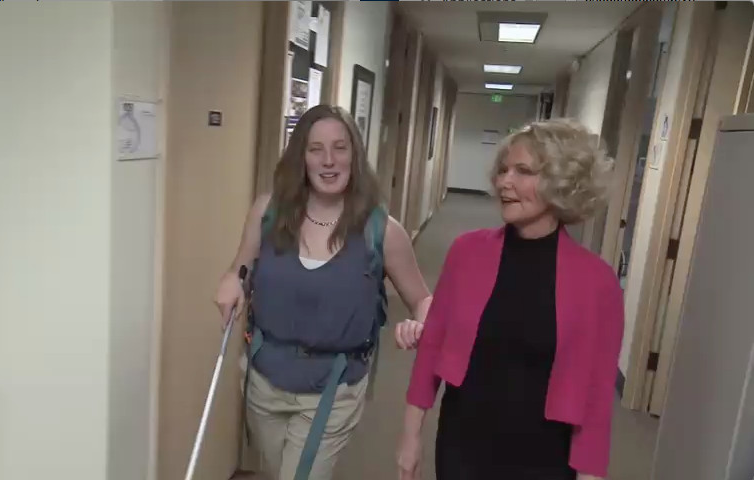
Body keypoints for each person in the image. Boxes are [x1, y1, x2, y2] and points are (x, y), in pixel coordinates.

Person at [397, 119, 624, 480]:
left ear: (562, 184)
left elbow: (596, 400)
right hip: (462, 448)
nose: (505, 181)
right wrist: (410, 440)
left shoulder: (598, 283)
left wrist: (590, 476)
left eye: (523, 171)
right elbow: (431, 350)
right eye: (503, 170)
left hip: (544, 460)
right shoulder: (466, 252)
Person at [214, 105, 432, 480]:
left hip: (333, 386)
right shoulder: (268, 212)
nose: (328, 160)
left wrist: (420, 325)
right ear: (301, 156)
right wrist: (231, 279)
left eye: (340, 148)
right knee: (276, 471)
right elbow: (241, 270)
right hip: (264, 378)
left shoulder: (382, 230)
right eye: (316, 149)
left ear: (355, 155)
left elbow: (424, 300)